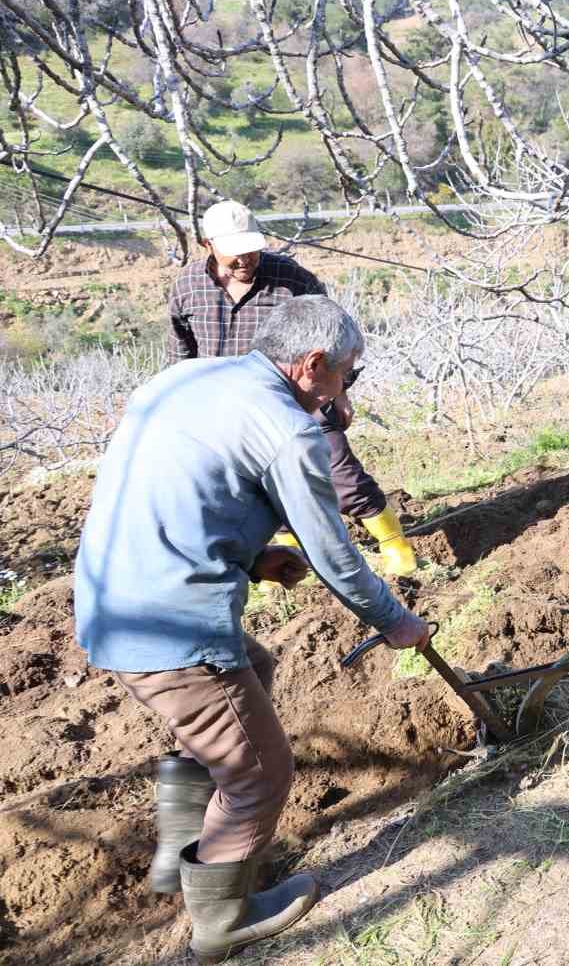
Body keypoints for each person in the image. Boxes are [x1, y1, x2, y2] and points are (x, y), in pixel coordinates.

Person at [74, 295, 431, 964]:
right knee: (261, 773)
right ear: (313, 364)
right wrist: (396, 619)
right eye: (347, 376)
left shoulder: (189, 378)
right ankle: (223, 919)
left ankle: (176, 863)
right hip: (170, 623)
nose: (344, 392)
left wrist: (251, 553)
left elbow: (183, 485)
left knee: (253, 673)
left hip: (110, 596)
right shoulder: (287, 430)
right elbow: (335, 557)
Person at [167, 199, 417, 574]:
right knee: (261, 490)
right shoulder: (187, 286)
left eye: (252, 249)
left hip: (299, 398)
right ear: (207, 245)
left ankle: (395, 545)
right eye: (235, 253)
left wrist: (341, 392)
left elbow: (336, 337)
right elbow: (180, 353)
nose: (246, 259)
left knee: (340, 473)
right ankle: (286, 568)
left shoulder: (292, 279)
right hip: (225, 409)